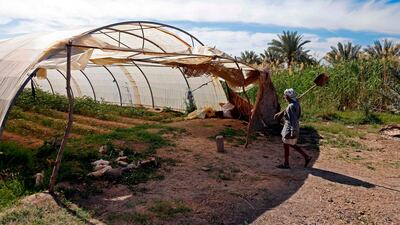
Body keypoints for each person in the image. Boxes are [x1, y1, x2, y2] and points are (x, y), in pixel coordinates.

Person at [274, 88, 312, 169]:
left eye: (285, 96)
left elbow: (293, 120)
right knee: (289, 144)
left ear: (288, 97)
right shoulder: (295, 103)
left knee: (288, 144)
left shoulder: (291, 106)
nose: (284, 97)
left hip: (289, 128)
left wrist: (292, 131)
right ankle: (305, 157)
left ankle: (287, 163)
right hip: (290, 127)